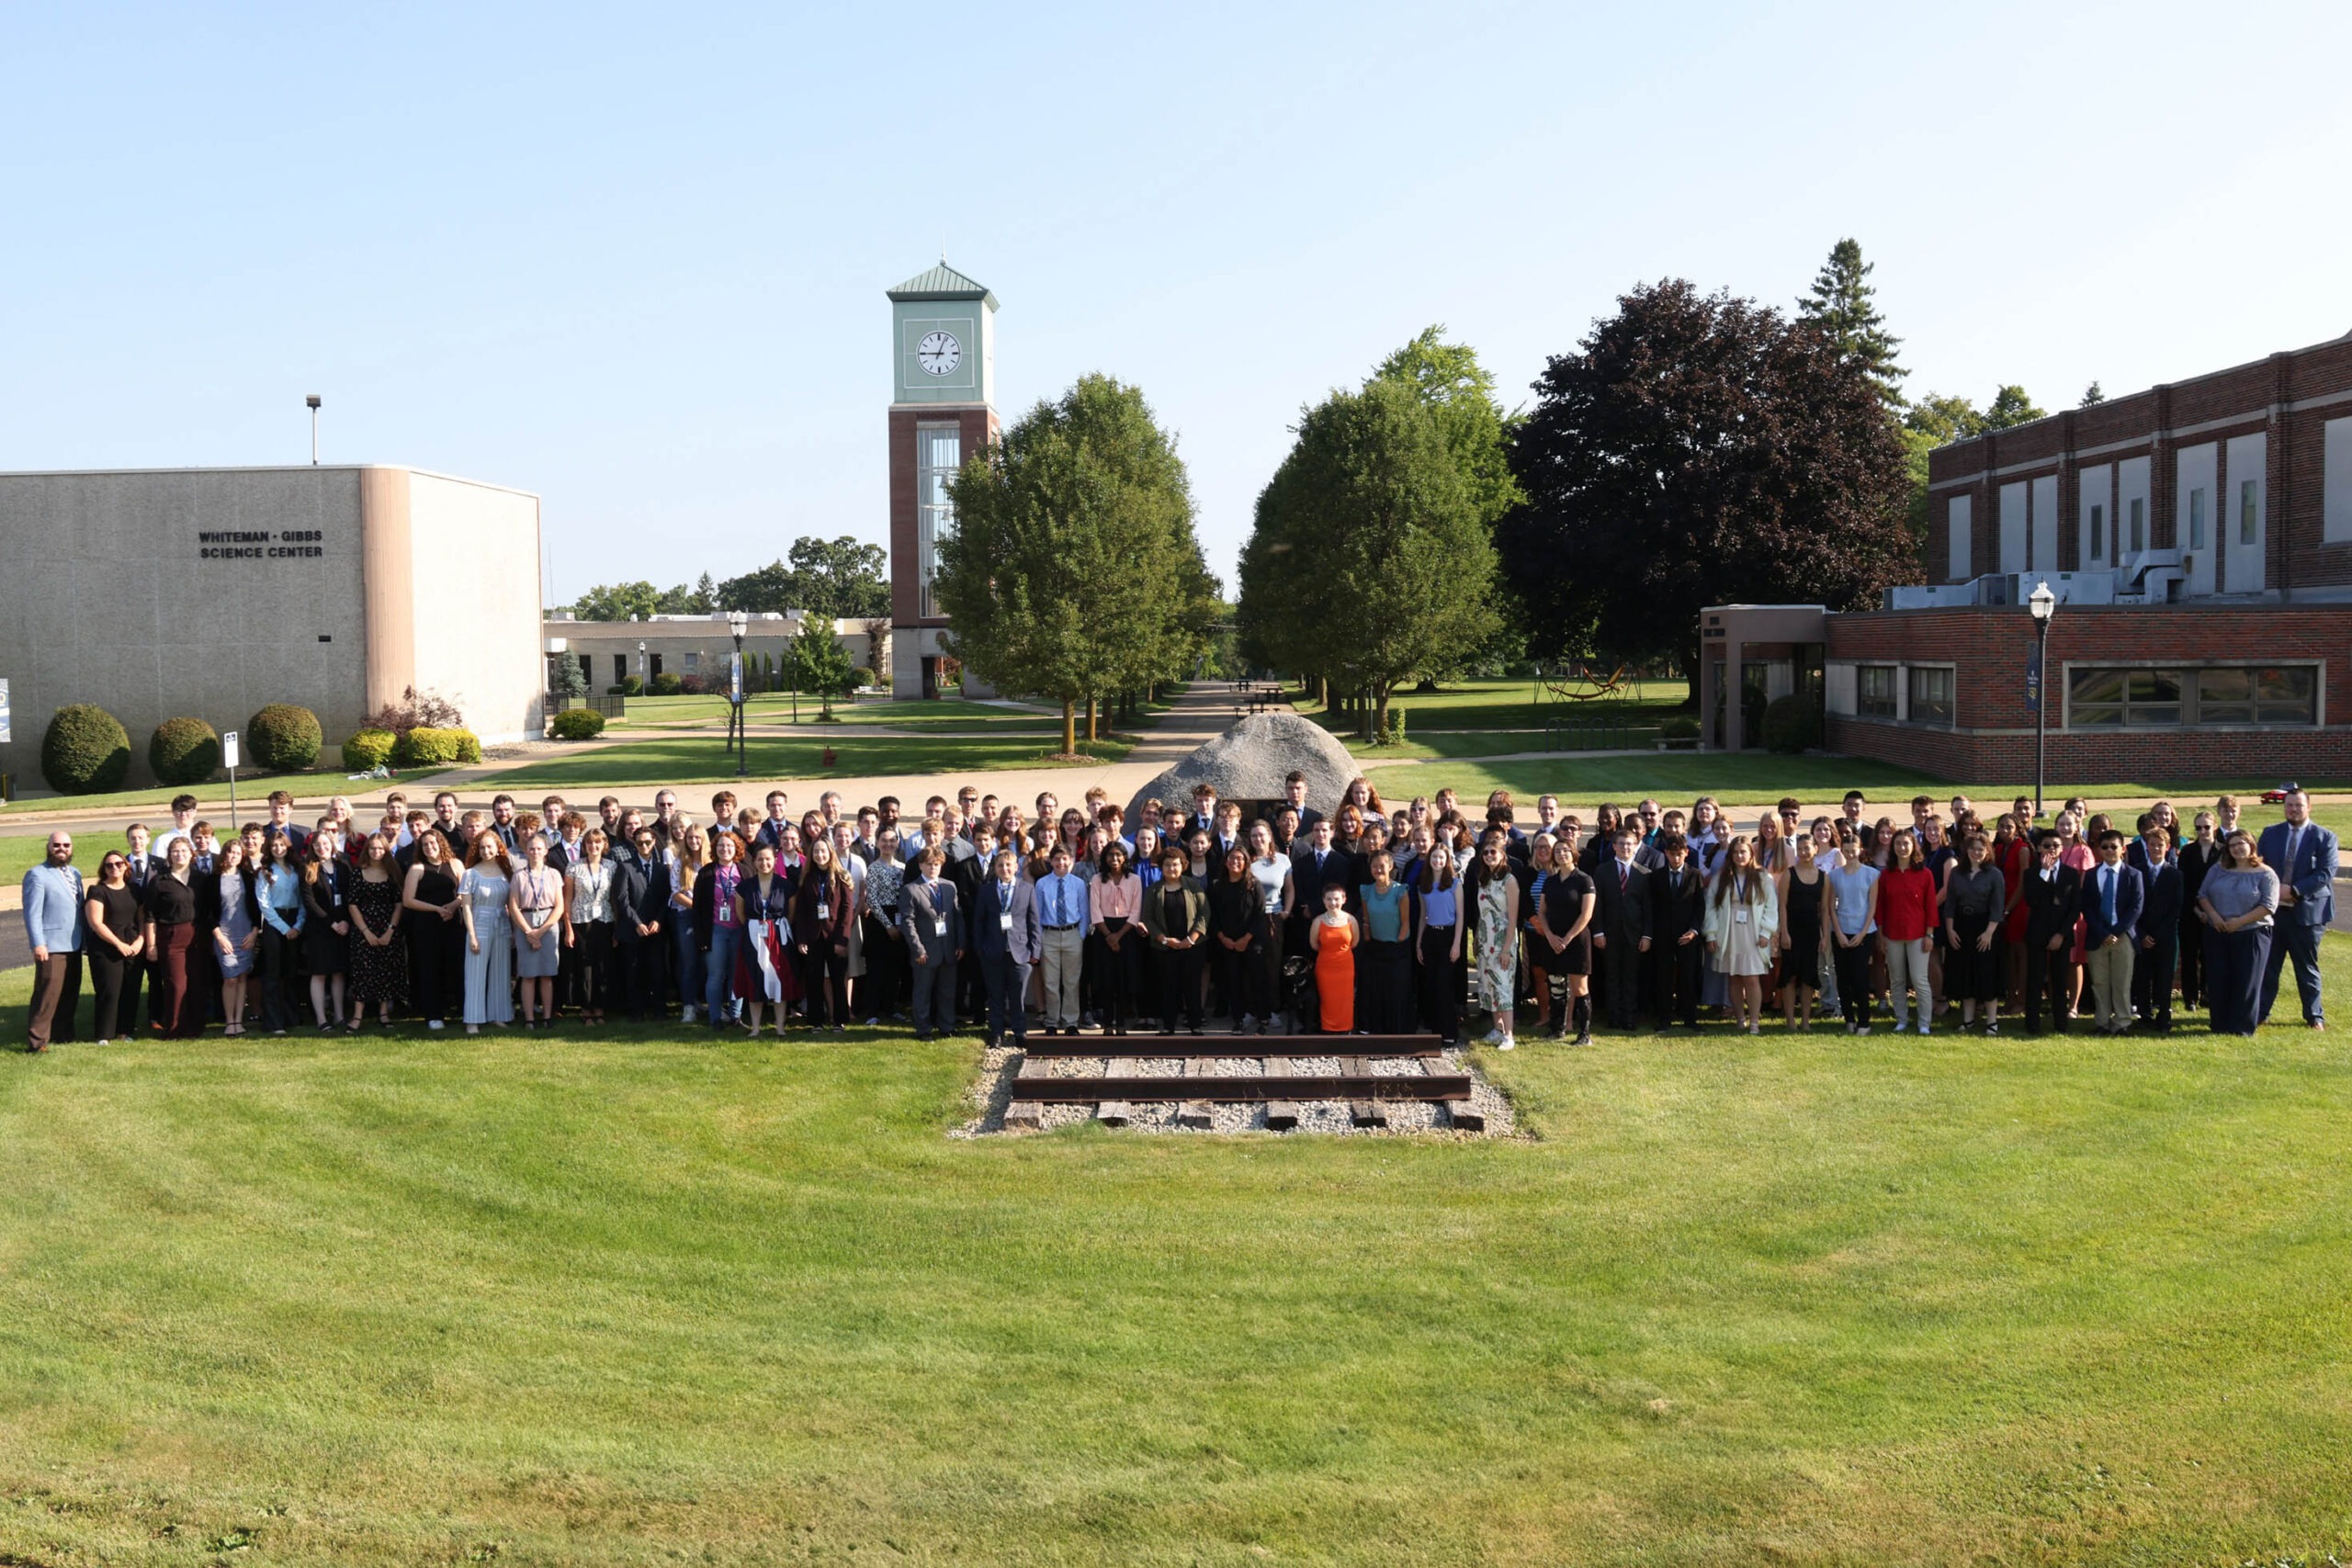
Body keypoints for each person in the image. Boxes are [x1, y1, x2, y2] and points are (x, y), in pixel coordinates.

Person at [2256, 790, 2335, 1030]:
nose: (2293, 809)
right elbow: (2258, 865)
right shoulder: (2270, 834)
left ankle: (2314, 1016)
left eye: (2298, 805)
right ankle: (2261, 1013)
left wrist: (2295, 890)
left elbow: (2325, 872)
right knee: (2269, 967)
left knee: (2306, 968)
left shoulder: (2324, 837)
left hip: (2307, 914)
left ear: (2308, 807)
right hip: (2274, 913)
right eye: (2289, 805)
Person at [2198, 829, 2278, 1037]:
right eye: (2232, 845)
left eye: (2241, 843)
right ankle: (2219, 1024)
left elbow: (2268, 906)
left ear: (2251, 845)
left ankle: (2241, 1027)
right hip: (2218, 931)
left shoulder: (2266, 873)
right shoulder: (2218, 869)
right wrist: (2214, 916)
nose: (2237, 848)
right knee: (2219, 979)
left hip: (2253, 933)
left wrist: (2239, 922)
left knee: (2246, 981)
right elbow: (2203, 895)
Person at [1703, 835, 1779, 1034]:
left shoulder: (1763, 877)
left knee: (1752, 977)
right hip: (1728, 931)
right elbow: (1710, 906)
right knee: (1734, 976)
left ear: (1751, 854)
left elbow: (1772, 907)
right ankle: (1739, 1018)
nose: (1739, 856)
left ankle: (1754, 1021)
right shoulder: (1722, 877)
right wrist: (1710, 934)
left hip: (1753, 932)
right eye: (1735, 852)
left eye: (1743, 852)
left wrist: (1766, 931)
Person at [1532, 829, 1598, 1043]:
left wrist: (1567, 938)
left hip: (1576, 940)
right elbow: (1542, 911)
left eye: (1566, 850)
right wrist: (1550, 936)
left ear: (1574, 853)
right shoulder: (1550, 881)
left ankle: (1584, 1033)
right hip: (1553, 940)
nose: (1561, 854)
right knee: (1556, 985)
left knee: (1580, 988)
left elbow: (1586, 913)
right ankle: (1556, 1028)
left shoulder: (1584, 880)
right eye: (1557, 851)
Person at [973, 847, 1042, 1047]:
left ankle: (1020, 1031)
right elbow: (979, 921)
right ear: (995, 868)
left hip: (1020, 952)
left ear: (1016, 867)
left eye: (1008, 865)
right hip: (992, 951)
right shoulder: (986, 890)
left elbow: (1034, 922)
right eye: (1000, 865)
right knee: (995, 995)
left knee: (1017, 995)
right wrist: (980, 949)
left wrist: (1035, 951)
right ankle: (996, 1032)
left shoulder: (1027, 889)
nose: (1004, 869)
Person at [2078, 829, 2144, 1037]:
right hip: (2098, 936)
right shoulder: (2091, 875)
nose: (2109, 851)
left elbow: (2136, 907)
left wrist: (2116, 931)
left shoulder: (2134, 875)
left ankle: (2122, 1023)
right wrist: (2102, 932)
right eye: (2104, 847)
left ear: (2122, 849)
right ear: (2099, 850)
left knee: (2121, 982)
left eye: (2113, 847)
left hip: (2123, 936)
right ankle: (2102, 1023)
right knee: (2099, 982)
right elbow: (2086, 906)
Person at [1941, 830, 2007, 1034]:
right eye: (1973, 849)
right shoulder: (1957, 873)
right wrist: (1950, 929)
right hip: (1961, 926)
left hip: (1986, 927)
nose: (1976, 853)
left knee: (1987, 974)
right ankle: (1968, 1021)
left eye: (1981, 849)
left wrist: (1988, 933)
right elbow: (1950, 903)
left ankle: (1992, 1022)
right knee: (1965, 974)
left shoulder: (1994, 875)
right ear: (1966, 850)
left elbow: (1997, 907)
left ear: (1987, 851)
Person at [1877, 829, 1939, 1036]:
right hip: (1892, 934)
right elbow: (1881, 907)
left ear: (1913, 846)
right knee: (1896, 979)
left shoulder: (1925, 874)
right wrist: (1881, 935)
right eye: (1898, 844)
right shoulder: (1886, 875)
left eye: (1906, 843)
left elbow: (1931, 906)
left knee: (1919, 979)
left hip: (1919, 935)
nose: (1902, 848)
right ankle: (1901, 1020)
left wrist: (1930, 934)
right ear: (1893, 848)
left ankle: (1924, 1023)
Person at [2019, 831, 2082, 1035]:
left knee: (2059, 979)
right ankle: (2032, 1023)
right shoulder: (2031, 873)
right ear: (2039, 849)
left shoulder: (2071, 874)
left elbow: (2074, 908)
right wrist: (2044, 874)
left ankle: (2060, 1022)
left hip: (2061, 935)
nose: (2051, 850)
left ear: (2061, 848)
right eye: (2047, 846)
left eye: (2055, 846)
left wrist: (2061, 935)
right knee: (2035, 979)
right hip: (2038, 934)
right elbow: (2032, 900)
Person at [734, 840, 799, 1037]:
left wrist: (774, 927)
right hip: (753, 938)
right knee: (755, 979)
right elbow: (740, 914)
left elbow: (792, 913)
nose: (764, 863)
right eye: (760, 859)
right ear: (754, 862)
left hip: (779, 938)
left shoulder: (786, 886)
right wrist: (756, 928)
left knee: (779, 980)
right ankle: (755, 1028)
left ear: (775, 860)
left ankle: (780, 1027)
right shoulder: (744, 886)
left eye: (768, 859)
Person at [1141, 847, 1209, 1035]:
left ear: (1183, 866)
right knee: (1168, 986)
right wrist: (1164, 940)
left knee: (1192, 985)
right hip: (1165, 947)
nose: (1172, 868)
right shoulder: (1154, 889)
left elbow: (1204, 913)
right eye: (1168, 865)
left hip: (1192, 946)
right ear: (1162, 867)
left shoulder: (1193, 885)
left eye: (1176, 864)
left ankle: (1195, 1024)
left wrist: (1192, 938)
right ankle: (1168, 1026)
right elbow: (1147, 918)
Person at [401, 829, 465, 1030]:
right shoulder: (417, 868)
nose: (430, 847)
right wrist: (437, 909)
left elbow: (465, 892)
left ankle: (464, 1010)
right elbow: (408, 900)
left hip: (454, 923)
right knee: (430, 969)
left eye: (433, 843)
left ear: (441, 843)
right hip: (427, 925)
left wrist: (453, 906)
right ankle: (434, 1014)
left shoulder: (455, 864)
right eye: (425, 845)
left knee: (457, 967)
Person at [139, 839, 201, 1038]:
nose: (179, 854)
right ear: (169, 855)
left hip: (197, 935)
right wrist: (151, 945)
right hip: (171, 935)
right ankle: (174, 1028)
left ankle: (195, 1026)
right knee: (176, 983)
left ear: (191, 853)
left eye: (183, 850)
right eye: (175, 851)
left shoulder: (200, 878)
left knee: (196, 982)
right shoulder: (159, 881)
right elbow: (150, 916)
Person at [83, 849, 145, 1045]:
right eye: (109, 865)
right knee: (110, 990)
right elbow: (96, 923)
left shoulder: (135, 889)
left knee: (131, 989)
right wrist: (118, 944)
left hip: (133, 944)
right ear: (104, 868)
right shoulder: (97, 891)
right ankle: (104, 1034)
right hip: (106, 947)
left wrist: (140, 941)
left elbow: (142, 918)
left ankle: (124, 1032)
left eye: (119, 864)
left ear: (126, 866)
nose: (114, 868)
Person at [1591, 828, 1651, 1032]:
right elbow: (1597, 905)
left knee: (1631, 977)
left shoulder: (1644, 874)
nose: (1625, 847)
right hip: (1609, 934)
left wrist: (1646, 935)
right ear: (1614, 846)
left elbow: (1648, 908)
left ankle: (1629, 1017)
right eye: (1621, 844)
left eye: (1629, 844)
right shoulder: (1602, 871)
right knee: (1612, 976)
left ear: (1635, 847)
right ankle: (1613, 1016)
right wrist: (1598, 932)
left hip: (1634, 935)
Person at [345, 835, 408, 1030]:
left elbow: (399, 905)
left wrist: (390, 931)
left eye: (380, 849)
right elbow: (352, 904)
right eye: (372, 848)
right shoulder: (358, 873)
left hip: (388, 929)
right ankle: (357, 1017)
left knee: (386, 971)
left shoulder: (393, 872)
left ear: (386, 850)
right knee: (362, 972)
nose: (376, 852)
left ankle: (384, 1014)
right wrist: (366, 932)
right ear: (367, 850)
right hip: (363, 930)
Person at [795, 838, 856, 1032]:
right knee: (814, 980)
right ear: (811, 855)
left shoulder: (842, 877)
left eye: (823, 851)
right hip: (813, 937)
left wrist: (842, 939)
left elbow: (847, 911)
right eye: (816, 852)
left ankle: (839, 1020)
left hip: (835, 937)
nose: (820, 855)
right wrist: (802, 938)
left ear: (830, 853)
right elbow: (801, 912)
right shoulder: (807, 878)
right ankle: (816, 1021)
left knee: (838, 980)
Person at [899, 847, 962, 1041]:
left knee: (947, 991)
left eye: (936, 864)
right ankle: (923, 1029)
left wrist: (961, 943)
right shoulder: (911, 889)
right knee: (923, 992)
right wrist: (918, 948)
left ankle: (947, 1026)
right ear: (920, 865)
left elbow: (958, 917)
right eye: (929, 864)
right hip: (925, 950)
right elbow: (907, 922)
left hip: (948, 948)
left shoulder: (949, 886)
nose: (933, 868)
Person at [1823, 829, 1880, 1035]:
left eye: (1853, 850)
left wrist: (1863, 933)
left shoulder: (1872, 874)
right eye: (1846, 850)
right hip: (1841, 932)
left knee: (1860, 977)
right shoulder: (1834, 876)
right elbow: (1831, 907)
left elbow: (1872, 906)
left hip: (1864, 932)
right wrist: (1837, 932)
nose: (1849, 853)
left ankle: (1864, 1021)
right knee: (1843, 978)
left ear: (1860, 850)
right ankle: (1849, 1018)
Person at [508, 828, 566, 1029]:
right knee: (528, 975)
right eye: (531, 849)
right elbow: (513, 906)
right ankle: (530, 1018)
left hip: (548, 923)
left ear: (545, 851)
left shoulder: (554, 875)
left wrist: (540, 932)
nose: (535, 852)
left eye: (539, 849)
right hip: (526, 921)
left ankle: (548, 1016)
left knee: (546, 974)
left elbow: (559, 906)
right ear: (526, 851)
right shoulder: (518, 876)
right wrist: (528, 932)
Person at [1468, 831, 1521, 1049]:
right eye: (1486, 853)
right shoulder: (1484, 879)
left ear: (1502, 855)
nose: (1489, 856)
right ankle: (1497, 1028)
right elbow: (1482, 913)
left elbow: (1512, 917)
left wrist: (1507, 947)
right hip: (1485, 938)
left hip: (1502, 939)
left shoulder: (1509, 881)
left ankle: (1509, 1035)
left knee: (1503, 986)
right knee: (1489, 984)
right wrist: (1477, 940)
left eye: (1493, 852)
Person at [458, 834, 516, 1034]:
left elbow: (511, 903)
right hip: (479, 923)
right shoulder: (470, 874)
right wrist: (472, 935)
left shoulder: (505, 872)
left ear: (498, 848)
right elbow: (466, 907)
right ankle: (472, 1020)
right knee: (475, 972)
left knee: (501, 972)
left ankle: (498, 1015)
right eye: (482, 848)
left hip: (502, 924)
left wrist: (513, 931)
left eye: (490, 847)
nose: (486, 851)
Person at [561, 829, 616, 1026]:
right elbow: (567, 899)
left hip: (604, 920)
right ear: (584, 846)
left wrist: (616, 929)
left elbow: (614, 898)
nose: (594, 846)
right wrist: (568, 927)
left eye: (597, 842)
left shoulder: (611, 866)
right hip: (580, 921)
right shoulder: (574, 867)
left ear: (604, 845)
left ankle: (600, 1009)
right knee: (583, 967)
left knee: (602, 966)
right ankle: (586, 1010)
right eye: (589, 843)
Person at [694, 829, 748, 1030]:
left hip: (739, 930)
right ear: (715, 849)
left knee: (737, 975)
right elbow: (698, 907)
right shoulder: (707, 872)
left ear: (737, 849)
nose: (725, 849)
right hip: (715, 930)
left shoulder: (744, 872)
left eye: (729, 846)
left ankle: (736, 1016)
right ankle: (715, 1018)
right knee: (716, 975)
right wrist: (700, 937)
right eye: (721, 846)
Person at [1090, 841, 1144, 1035]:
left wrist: (1119, 936)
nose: (1114, 859)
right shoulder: (1097, 879)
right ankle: (1107, 1023)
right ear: (1105, 858)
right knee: (1106, 979)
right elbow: (1095, 911)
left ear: (1124, 858)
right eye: (1110, 855)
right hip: (1104, 931)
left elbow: (1136, 910)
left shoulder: (1134, 880)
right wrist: (1109, 936)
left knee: (1123, 979)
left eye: (1118, 855)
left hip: (1126, 932)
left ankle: (1121, 1022)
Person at [1034, 844, 1090, 1036]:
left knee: (1071, 981)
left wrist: (1080, 935)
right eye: (1057, 859)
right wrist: (1040, 936)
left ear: (1072, 861)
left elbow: (1084, 911)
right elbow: (1038, 912)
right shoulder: (1042, 884)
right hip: (1049, 934)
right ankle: (1052, 1021)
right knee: (1050, 981)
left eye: (1065, 859)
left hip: (1072, 934)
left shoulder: (1078, 884)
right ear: (1051, 861)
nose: (1061, 863)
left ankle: (1071, 1021)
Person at [2132, 825, 2182, 1032]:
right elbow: (2133, 905)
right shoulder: (2137, 871)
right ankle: (2144, 1015)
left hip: (2165, 936)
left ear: (2167, 847)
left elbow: (2176, 909)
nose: (2156, 849)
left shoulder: (2175, 875)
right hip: (2142, 934)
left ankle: (2164, 1016)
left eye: (2160, 845)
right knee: (2142, 976)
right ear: (2147, 847)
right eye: (2152, 845)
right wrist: (2142, 934)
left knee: (2163, 978)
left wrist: (2158, 934)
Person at [300, 828, 350, 1031]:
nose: (322, 848)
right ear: (313, 847)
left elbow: (350, 896)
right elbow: (309, 901)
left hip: (343, 926)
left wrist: (346, 921)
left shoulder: (343, 866)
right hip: (320, 928)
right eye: (318, 845)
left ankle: (339, 1015)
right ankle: (321, 1018)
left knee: (338, 972)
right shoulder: (308, 868)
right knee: (319, 973)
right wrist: (331, 923)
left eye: (326, 844)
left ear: (332, 844)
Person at [1416, 845, 1465, 1045]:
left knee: (1445, 986)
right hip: (1430, 936)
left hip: (1448, 936)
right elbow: (1422, 917)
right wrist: (1419, 944)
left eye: (1441, 858)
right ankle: (1435, 1030)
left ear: (1447, 861)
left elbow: (1461, 915)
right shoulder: (1423, 886)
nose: (1437, 861)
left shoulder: (1454, 884)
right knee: (1431, 984)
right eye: (1434, 857)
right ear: (1429, 860)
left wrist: (1456, 944)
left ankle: (1449, 1033)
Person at [1775, 831, 1825, 1032]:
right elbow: (1782, 905)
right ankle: (1790, 1020)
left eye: (1808, 848)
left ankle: (1805, 1020)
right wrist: (1784, 932)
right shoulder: (1789, 873)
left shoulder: (1823, 877)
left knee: (1808, 977)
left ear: (1816, 849)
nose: (1804, 852)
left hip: (1812, 932)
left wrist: (1824, 936)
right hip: (1792, 931)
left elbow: (1824, 911)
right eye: (1801, 849)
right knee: (1790, 976)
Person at [2177, 811, 2221, 1011]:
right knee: (2189, 956)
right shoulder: (2187, 852)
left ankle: (2208, 994)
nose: (2203, 831)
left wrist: (2210, 913)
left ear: (2215, 827)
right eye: (2199, 827)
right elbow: (2183, 884)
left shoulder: (2223, 852)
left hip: (2216, 913)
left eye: (2207, 827)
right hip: (2190, 912)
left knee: (2210, 956)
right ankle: (2190, 998)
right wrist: (2196, 910)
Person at [1308, 882, 1359, 1034]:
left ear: (1344, 899)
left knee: (1345, 999)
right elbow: (1314, 944)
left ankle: (1346, 1029)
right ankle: (1327, 1029)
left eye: (1336, 899)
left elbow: (1354, 942)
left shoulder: (1351, 920)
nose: (1333, 903)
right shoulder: (1318, 921)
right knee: (1327, 999)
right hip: (1325, 967)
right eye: (1329, 899)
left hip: (1345, 966)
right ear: (1323, 900)